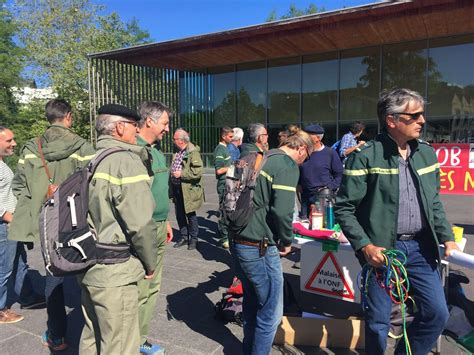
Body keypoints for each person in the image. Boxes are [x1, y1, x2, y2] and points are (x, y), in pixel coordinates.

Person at [334, 88, 460, 354]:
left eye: (422, 114)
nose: (422, 121)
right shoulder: (366, 155)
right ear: (392, 120)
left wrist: (447, 236)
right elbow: (344, 208)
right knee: (379, 323)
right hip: (383, 252)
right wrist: (366, 247)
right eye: (414, 115)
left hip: (421, 249)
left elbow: (433, 202)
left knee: (437, 313)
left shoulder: (426, 153)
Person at [9, 99, 95, 351]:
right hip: (77, 219)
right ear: (68, 116)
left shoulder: (30, 148)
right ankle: (93, 329)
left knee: (53, 274)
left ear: (48, 118)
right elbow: (93, 184)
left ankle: (57, 336)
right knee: (86, 270)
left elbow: (18, 186)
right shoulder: (82, 145)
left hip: (46, 220)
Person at [78, 104, 158, 355]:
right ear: (120, 127)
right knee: (121, 345)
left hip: (88, 264)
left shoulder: (90, 157)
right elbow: (141, 223)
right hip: (115, 271)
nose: (137, 131)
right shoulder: (125, 161)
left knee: (93, 337)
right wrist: (150, 262)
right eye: (134, 125)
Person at [230, 130, 313, 355]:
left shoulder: (261, 157)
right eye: (304, 158)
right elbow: (283, 211)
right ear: (301, 149)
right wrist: (286, 241)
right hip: (260, 245)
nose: (302, 162)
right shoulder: (286, 165)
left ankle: (249, 350)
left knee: (251, 303)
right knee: (270, 313)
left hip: (239, 238)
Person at [136, 101, 173, 354]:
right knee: (141, 287)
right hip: (144, 229)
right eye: (165, 123)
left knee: (153, 287)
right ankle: (132, 339)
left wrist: (166, 218)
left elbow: (157, 192)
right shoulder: (133, 151)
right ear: (149, 120)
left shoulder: (156, 151)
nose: (167, 129)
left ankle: (140, 337)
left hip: (160, 225)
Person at [299, 124, 343, 218]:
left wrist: (330, 187)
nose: (304, 139)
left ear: (318, 139)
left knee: (322, 224)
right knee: (304, 225)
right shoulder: (302, 152)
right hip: (305, 197)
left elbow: (339, 174)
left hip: (323, 198)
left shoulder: (330, 153)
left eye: (307, 137)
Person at [170, 128, 204, 250]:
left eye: (175, 139)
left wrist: (181, 174)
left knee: (190, 214)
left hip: (188, 190)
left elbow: (197, 172)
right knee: (179, 214)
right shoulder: (177, 151)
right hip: (177, 188)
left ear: (181, 140)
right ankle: (184, 236)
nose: (173, 141)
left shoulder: (192, 152)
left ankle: (194, 239)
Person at [213, 126, 233, 249]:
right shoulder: (220, 150)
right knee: (224, 211)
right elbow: (219, 170)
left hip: (229, 184)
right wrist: (232, 167)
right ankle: (223, 238)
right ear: (223, 136)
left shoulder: (225, 148)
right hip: (223, 185)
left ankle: (227, 236)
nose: (232, 139)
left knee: (229, 210)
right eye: (230, 136)